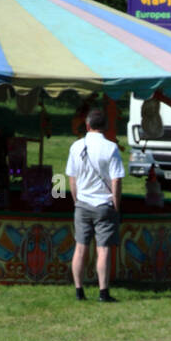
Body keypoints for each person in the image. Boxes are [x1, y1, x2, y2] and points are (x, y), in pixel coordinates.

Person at [66, 104, 125, 303]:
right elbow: (116, 180)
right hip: (103, 204)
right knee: (103, 249)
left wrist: (76, 201)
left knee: (80, 248)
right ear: (105, 126)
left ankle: (79, 290)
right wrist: (116, 205)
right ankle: (103, 292)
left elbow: (71, 179)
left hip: (82, 203)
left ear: (87, 124)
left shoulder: (76, 146)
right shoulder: (111, 148)